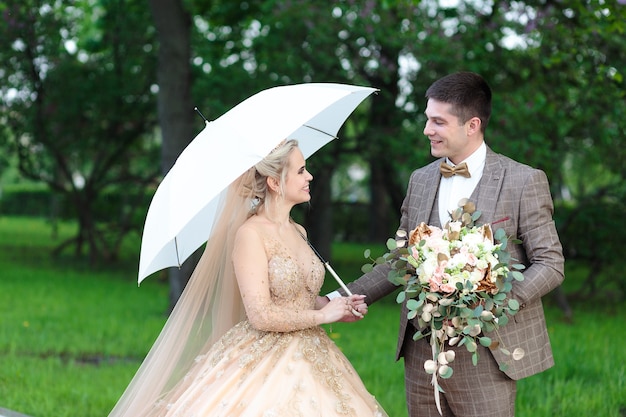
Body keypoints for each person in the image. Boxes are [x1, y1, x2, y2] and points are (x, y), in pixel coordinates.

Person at [322, 71, 565, 416]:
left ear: (472, 125)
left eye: (438, 121)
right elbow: (399, 260)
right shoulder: (420, 180)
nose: (427, 130)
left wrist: (497, 303)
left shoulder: (523, 181)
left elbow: (551, 263)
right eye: (427, 120)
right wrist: (336, 298)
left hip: (487, 350)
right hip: (421, 347)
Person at [108, 139, 386, 416]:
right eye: (301, 171)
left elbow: (297, 297)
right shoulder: (250, 235)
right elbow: (261, 315)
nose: (309, 176)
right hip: (266, 357)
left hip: (315, 353)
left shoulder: (298, 231)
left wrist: (332, 306)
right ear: (275, 183)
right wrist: (323, 318)